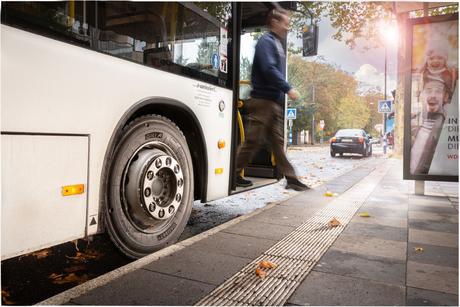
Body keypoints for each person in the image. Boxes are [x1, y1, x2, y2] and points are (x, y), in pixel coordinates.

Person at [235, 8, 309, 191]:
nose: (287, 27)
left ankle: (291, 178)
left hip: (273, 103)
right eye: (285, 23)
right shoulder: (266, 42)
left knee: (277, 143)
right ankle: (234, 173)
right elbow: (268, 69)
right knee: (252, 142)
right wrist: (288, 88)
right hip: (263, 102)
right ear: (275, 23)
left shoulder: (276, 43)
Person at [410, 78, 449, 174]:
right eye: (428, 91)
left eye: (438, 91)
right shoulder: (414, 124)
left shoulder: (446, 127)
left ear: (445, 97)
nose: (433, 95)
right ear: (421, 95)